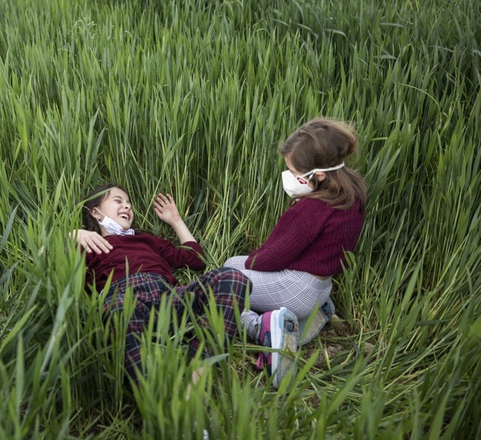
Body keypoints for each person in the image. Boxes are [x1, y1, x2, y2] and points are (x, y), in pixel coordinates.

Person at [72, 183, 252, 384]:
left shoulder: (147, 241)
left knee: (233, 277)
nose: (127, 206)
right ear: (96, 213)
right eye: (118, 201)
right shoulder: (88, 244)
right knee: (118, 307)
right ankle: (154, 395)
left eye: (129, 203)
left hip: (167, 297)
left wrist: (176, 221)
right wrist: (72, 235)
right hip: (124, 298)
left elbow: (196, 259)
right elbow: (47, 261)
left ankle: (197, 380)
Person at [224, 118, 368, 359]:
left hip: (297, 290)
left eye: (293, 172)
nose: (289, 177)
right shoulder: (351, 191)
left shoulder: (311, 209)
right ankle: (315, 315)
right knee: (233, 263)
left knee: (223, 281)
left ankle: (262, 328)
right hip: (321, 286)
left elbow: (271, 258)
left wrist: (252, 264)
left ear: (319, 174)